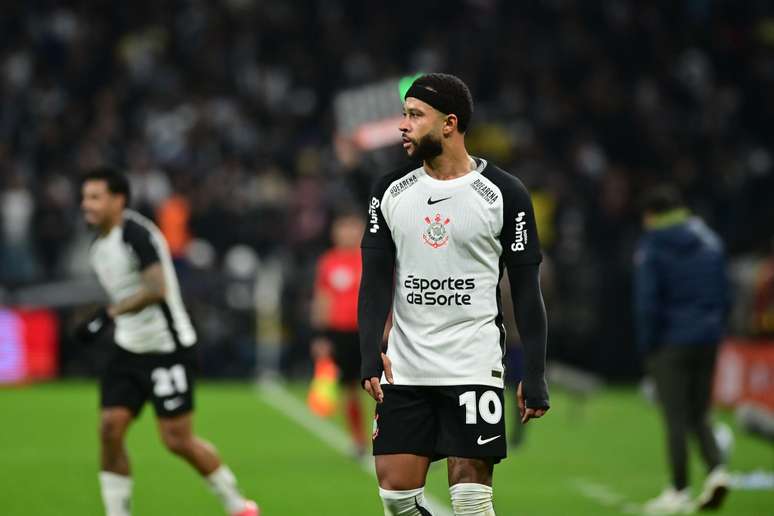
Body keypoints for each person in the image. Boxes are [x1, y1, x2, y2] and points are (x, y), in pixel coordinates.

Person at [358, 73, 549, 516]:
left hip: (472, 364)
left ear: (449, 123)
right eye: (404, 114)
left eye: (415, 115)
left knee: (469, 501)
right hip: (406, 368)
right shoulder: (389, 191)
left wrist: (535, 372)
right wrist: (369, 354)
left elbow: (527, 290)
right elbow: (374, 282)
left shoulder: (504, 194)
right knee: (397, 499)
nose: (403, 125)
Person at [77, 167, 258, 516]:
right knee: (109, 428)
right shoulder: (98, 247)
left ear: (118, 200)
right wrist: (110, 316)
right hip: (128, 348)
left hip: (167, 348)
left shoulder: (136, 234)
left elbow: (156, 288)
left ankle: (239, 505)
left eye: (96, 197)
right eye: (85, 197)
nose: (87, 204)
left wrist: (109, 314)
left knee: (177, 439)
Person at [634, 185, 730, 514]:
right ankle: (717, 471)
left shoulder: (653, 246)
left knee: (675, 417)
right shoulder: (710, 241)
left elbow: (647, 302)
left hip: (670, 341)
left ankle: (679, 490)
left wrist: (648, 345)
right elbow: (725, 293)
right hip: (708, 337)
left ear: (651, 215)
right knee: (700, 412)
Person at [310, 208, 367, 455]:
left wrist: (389, 326)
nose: (348, 233)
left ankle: (404, 440)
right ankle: (358, 439)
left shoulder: (371, 257)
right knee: (350, 388)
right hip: (340, 333)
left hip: (370, 332)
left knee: (388, 389)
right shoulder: (328, 262)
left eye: (353, 227)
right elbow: (322, 299)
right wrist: (320, 336)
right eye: (343, 227)